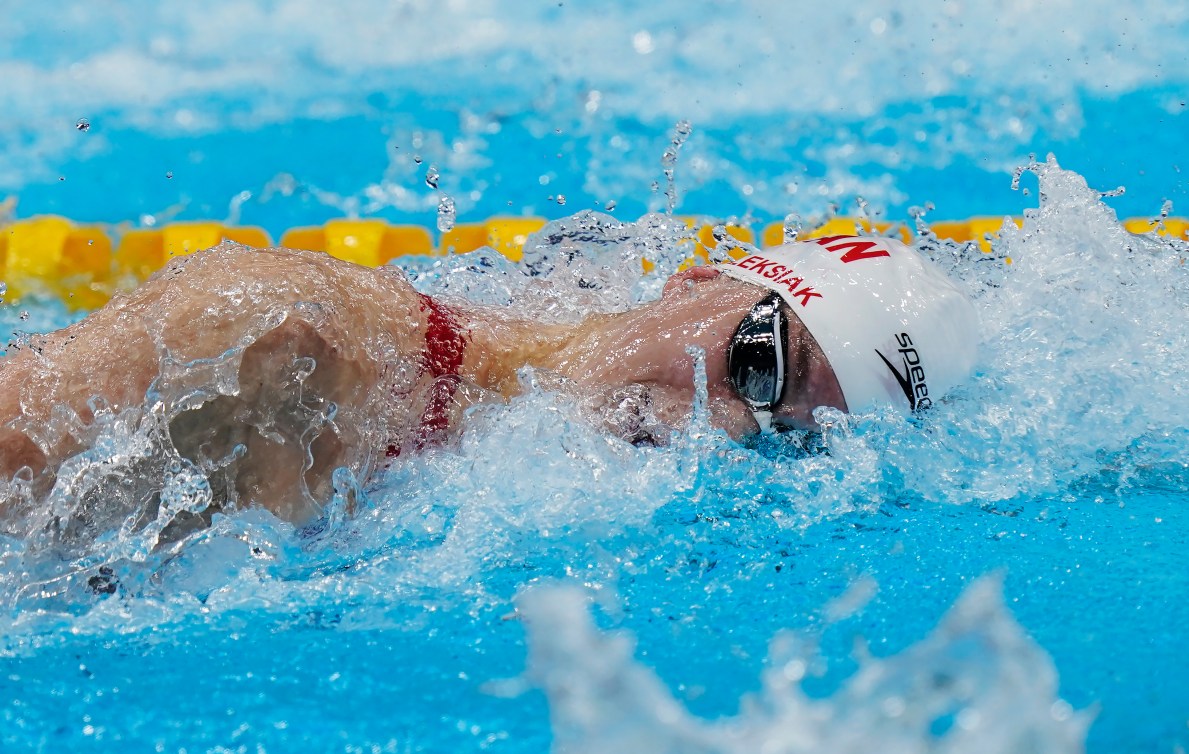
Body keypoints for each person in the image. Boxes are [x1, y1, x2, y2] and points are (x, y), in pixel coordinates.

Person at [0, 234, 978, 530]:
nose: (723, 428)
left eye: (784, 435)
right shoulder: (288, 335)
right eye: (756, 365)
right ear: (699, 281)